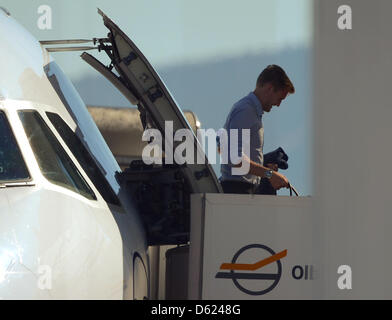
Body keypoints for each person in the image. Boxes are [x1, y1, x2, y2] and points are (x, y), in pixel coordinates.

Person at [219, 64, 295, 194]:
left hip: (243, 189)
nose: (278, 104)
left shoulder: (252, 112)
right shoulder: (246, 111)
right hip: (237, 191)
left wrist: (263, 167)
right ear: (270, 88)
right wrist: (269, 174)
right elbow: (234, 157)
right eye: (279, 98)